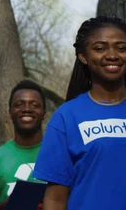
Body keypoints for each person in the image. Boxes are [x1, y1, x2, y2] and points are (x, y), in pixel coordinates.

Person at [33, 16, 126, 209]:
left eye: (121, 48)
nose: (112, 55)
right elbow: (56, 199)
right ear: (83, 56)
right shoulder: (67, 118)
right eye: (100, 48)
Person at [0, 80, 46, 210]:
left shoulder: (61, 155)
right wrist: (4, 207)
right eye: (19, 104)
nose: (27, 109)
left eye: (34, 105)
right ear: (10, 112)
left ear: (44, 113)